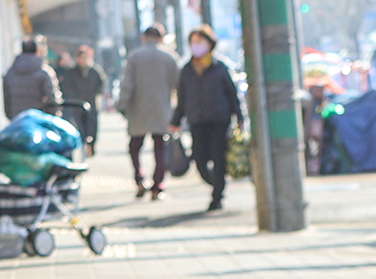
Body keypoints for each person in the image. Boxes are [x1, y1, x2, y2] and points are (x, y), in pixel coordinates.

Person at [173, 28, 242, 213]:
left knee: (218, 156)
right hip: (196, 120)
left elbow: (232, 94)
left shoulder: (220, 67)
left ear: (210, 44)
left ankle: (217, 195)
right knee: (200, 158)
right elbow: (182, 97)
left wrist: (240, 117)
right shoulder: (186, 70)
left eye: (201, 42)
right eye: (194, 42)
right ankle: (217, 182)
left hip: (219, 119)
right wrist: (176, 120)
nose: (197, 46)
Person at [117, 25, 182, 199]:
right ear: (161, 38)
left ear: (144, 37)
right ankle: (157, 185)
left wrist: (123, 105)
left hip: (138, 108)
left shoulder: (135, 56)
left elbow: (127, 84)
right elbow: (178, 84)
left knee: (135, 146)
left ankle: (139, 177)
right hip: (162, 108)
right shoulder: (170, 57)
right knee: (161, 148)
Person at [57, 43, 107, 152]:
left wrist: (96, 93)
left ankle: (91, 145)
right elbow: (66, 86)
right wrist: (74, 95)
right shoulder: (71, 72)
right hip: (77, 103)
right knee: (80, 125)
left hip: (92, 102)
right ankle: (84, 144)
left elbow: (102, 84)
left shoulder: (95, 70)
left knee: (92, 125)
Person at [3, 36, 61, 119]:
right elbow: (52, 99)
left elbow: (7, 100)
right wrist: (52, 116)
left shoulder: (10, 72)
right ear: (38, 51)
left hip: (17, 120)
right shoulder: (44, 71)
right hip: (39, 120)